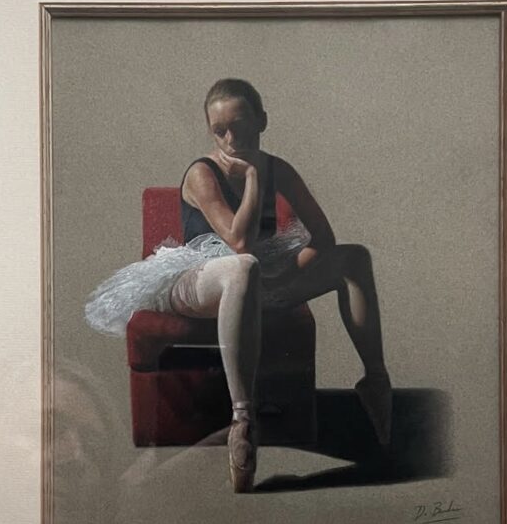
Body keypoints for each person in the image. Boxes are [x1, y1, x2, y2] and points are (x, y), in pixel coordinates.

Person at [85, 78, 391, 493]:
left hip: (255, 275)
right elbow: (239, 242)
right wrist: (251, 180)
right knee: (243, 265)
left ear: (262, 121)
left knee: (354, 257)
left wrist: (284, 273)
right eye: (220, 130)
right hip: (197, 278)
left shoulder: (279, 168)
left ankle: (375, 380)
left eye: (241, 125)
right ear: (210, 131)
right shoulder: (201, 173)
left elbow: (324, 237)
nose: (232, 138)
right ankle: (243, 421)